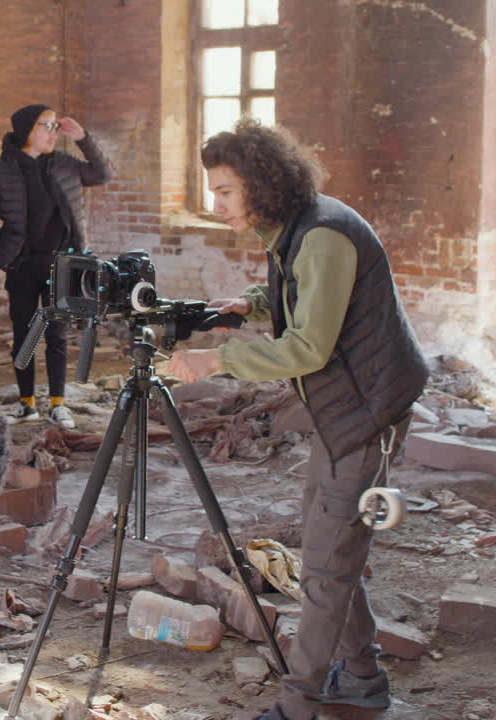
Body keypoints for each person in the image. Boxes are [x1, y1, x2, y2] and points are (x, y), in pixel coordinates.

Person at [167, 118, 428, 720]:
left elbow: (310, 346)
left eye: (226, 191)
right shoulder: (293, 228)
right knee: (324, 551)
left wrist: (218, 358)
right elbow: (302, 293)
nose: (217, 204)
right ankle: (360, 675)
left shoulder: (324, 233)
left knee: (328, 566)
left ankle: (299, 704)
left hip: (368, 414)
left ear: (261, 183)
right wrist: (253, 303)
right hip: (342, 413)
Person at [0, 104, 110, 430]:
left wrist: (83, 138)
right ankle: (26, 404)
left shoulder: (65, 164)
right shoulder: (1, 171)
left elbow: (102, 173)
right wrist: (5, 256)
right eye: (47, 125)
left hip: (64, 264)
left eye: (55, 126)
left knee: (57, 336)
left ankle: (57, 403)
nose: (53, 132)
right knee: (23, 336)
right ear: (27, 130)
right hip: (23, 266)